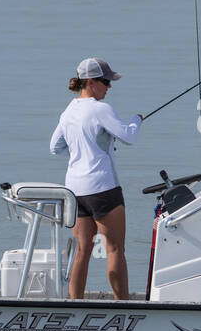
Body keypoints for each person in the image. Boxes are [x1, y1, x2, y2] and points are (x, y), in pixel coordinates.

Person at [50, 58, 143, 300]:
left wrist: (83, 149)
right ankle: (123, 306)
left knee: (82, 250)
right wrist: (136, 119)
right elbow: (129, 137)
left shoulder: (68, 111)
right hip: (102, 188)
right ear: (90, 82)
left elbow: (55, 148)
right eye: (105, 82)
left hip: (75, 191)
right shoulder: (101, 109)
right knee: (115, 249)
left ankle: (75, 304)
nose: (109, 87)